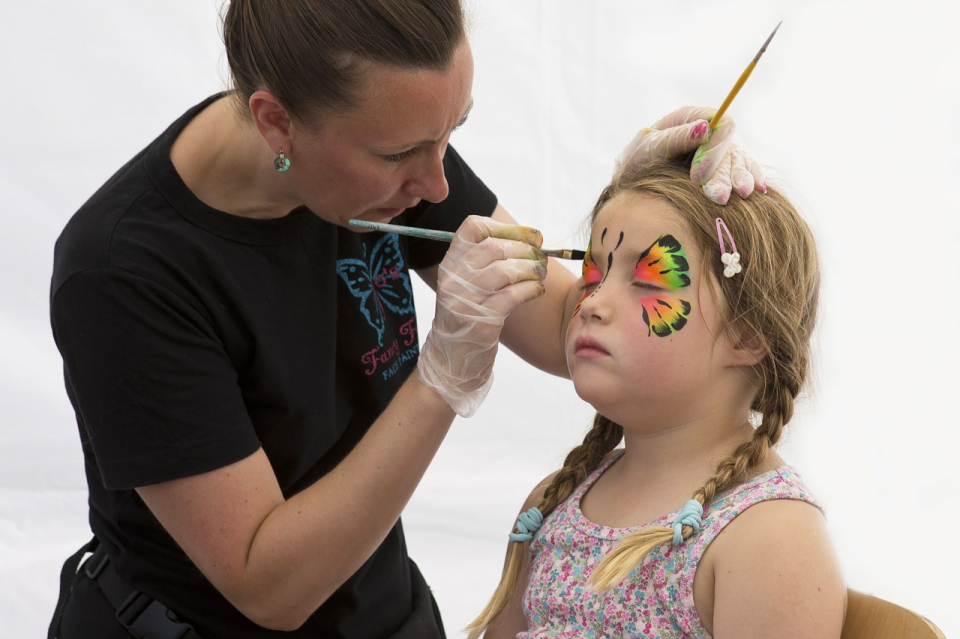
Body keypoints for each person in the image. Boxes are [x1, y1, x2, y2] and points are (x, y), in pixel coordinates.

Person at [45, 1, 764, 638]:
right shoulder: (122, 273)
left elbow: (556, 323)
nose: (437, 185)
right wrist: (443, 377)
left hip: (377, 605)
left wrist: (642, 211)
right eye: (401, 153)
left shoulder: (380, 158)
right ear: (276, 121)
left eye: (450, 133)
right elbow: (269, 586)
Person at [468, 155, 846, 638]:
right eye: (592, 276)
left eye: (647, 280)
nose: (592, 304)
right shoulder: (551, 504)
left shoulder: (770, 538)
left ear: (748, 334)